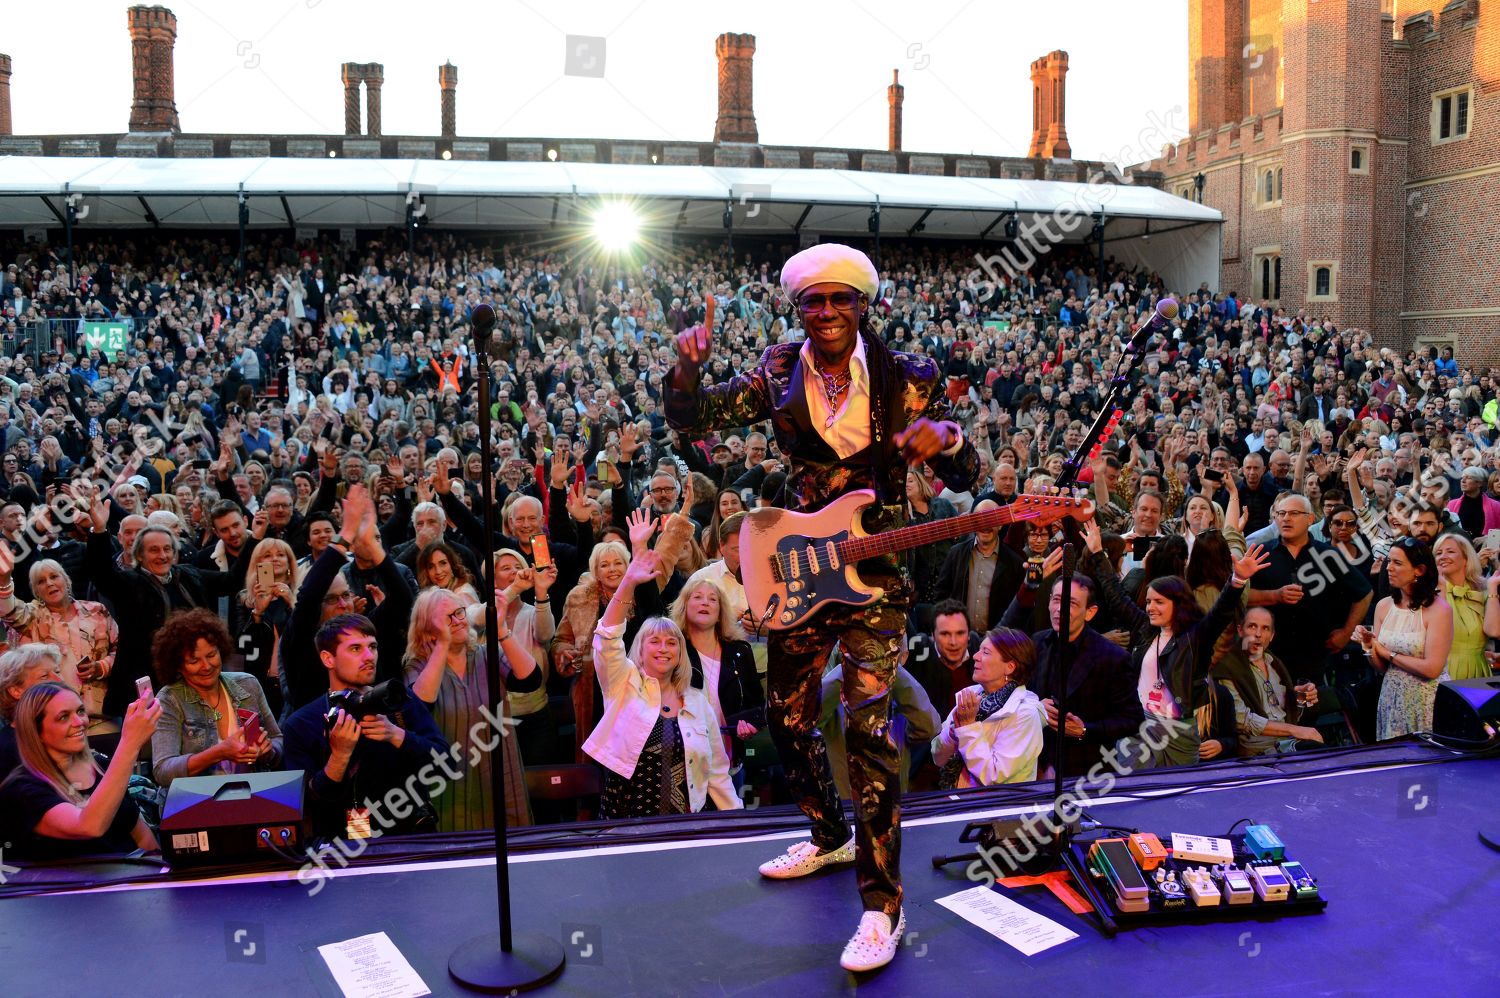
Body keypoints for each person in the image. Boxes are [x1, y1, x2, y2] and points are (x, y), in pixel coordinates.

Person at [666, 243, 978, 971]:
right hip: (801, 568)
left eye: (841, 299)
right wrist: (686, 367)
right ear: (797, 308)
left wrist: (947, 442)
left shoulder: (909, 376)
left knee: (869, 732)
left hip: (875, 577)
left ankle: (883, 907)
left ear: (862, 305)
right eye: (815, 301)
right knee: (788, 716)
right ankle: (827, 832)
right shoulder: (776, 369)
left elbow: (963, 464)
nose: (828, 312)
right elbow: (694, 418)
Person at [1083, 517, 1269, 767]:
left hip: (1180, 730)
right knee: (1137, 794)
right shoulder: (1144, 628)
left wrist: (1237, 581)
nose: (1150, 608)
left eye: (1159, 602)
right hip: (1140, 727)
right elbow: (1115, 594)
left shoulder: (1196, 637)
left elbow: (1221, 612)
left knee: (1181, 796)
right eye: (1149, 602)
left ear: (1178, 603)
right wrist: (1097, 553)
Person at [584, 549, 741, 818]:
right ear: (640, 650)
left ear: (680, 653)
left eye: (671, 642)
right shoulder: (624, 684)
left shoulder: (697, 702)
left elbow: (717, 773)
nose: (663, 648)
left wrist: (738, 822)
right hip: (626, 825)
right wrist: (628, 582)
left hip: (685, 826)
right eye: (654, 641)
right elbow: (607, 638)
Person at [281, 615, 448, 841]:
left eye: (373, 647)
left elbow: (446, 764)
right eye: (355, 649)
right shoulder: (301, 724)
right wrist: (339, 756)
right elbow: (308, 805)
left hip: (412, 841)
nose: (369, 657)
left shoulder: (399, 701)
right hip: (343, 852)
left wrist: (398, 736)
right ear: (328, 659)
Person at [404, 587, 542, 830]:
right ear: (426, 627)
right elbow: (418, 707)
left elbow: (531, 679)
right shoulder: (418, 666)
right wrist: (442, 644)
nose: (457, 621)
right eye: (447, 618)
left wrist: (501, 631)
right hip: (449, 780)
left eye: (459, 612)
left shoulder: (486, 654)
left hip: (500, 772)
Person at [1000, 568, 1143, 778]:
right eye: (1056, 600)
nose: (1060, 609)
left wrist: (1085, 729)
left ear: (1090, 612)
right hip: (1032, 766)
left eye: (1072, 603)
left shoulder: (1113, 658)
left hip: (1086, 774)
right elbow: (1013, 693)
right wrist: (1035, 706)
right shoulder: (1036, 643)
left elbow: (1133, 719)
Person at [0, 682, 160, 860]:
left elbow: (141, 836)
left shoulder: (100, 765)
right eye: (63, 717)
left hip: (134, 878)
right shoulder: (22, 788)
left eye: (80, 711)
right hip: (71, 886)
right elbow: (89, 826)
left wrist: (162, 873)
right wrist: (130, 742)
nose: (79, 722)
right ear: (36, 732)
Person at [1248, 492, 1373, 684]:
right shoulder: (1260, 553)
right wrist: (1275, 596)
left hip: (1314, 654)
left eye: (1294, 513)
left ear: (1310, 519)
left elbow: (1364, 593)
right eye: (1281, 513)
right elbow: (1241, 596)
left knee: (1308, 708)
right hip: (1268, 651)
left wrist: (1346, 632)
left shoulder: (1328, 555)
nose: (1286, 518)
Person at [149, 609, 281, 787]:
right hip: (195, 804)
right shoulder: (169, 700)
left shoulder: (248, 684)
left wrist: (268, 750)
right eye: (194, 661)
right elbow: (163, 771)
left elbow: (278, 741)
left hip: (252, 796)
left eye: (211, 655)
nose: (206, 666)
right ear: (178, 666)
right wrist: (218, 753)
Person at [0, 546, 119, 738]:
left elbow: (120, 652)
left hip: (100, 718)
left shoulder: (97, 610)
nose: (49, 583)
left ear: (66, 580)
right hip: (53, 720)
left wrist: (100, 667)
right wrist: (4, 580)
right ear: (36, 591)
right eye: (41, 581)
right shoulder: (31, 616)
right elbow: (9, 610)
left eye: (54, 577)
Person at [668, 572, 765, 780]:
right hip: (683, 766)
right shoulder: (672, 650)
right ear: (684, 605)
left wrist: (749, 724)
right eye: (697, 597)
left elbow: (756, 705)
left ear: (721, 611)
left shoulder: (741, 651)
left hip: (729, 763)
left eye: (713, 599)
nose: (705, 603)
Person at [1355, 538, 1454, 740]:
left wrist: (1384, 651)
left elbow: (1432, 669)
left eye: (1397, 563)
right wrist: (1368, 647)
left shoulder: (1439, 610)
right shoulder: (1383, 606)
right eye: (1389, 561)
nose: (1388, 568)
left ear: (1419, 570)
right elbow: (1383, 668)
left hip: (1427, 699)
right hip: (1392, 697)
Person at [930, 627, 1046, 787]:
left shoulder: (1025, 714)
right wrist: (952, 734)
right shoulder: (970, 695)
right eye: (979, 651)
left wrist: (968, 728)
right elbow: (938, 758)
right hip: (955, 799)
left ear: (1010, 667)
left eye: (985, 652)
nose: (975, 657)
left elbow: (993, 776)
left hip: (996, 808)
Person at [1211, 607, 1323, 756]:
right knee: (1316, 752)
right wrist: (1294, 729)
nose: (1258, 634)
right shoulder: (1228, 667)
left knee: (1325, 752)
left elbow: (1281, 712)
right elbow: (1240, 719)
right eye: (1252, 626)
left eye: (1265, 629)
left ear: (1271, 635)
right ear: (1240, 630)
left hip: (1286, 741)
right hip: (1258, 750)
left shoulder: (1273, 663)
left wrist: (1300, 699)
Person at [934, 499, 1023, 633]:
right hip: (959, 638)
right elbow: (941, 594)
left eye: (991, 520)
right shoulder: (956, 553)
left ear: (1000, 525)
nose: (985, 526)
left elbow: (1017, 607)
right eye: (980, 519)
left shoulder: (1014, 562)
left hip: (996, 640)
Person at [905, 599, 981, 721]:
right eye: (945, 634)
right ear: (933, 636)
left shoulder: (978, 651)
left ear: (968, 635)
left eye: (960, 633)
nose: (953, 642)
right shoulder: (919, 654)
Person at [0, 644, 68, 776]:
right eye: (44, 676)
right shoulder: (8, 748)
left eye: (58, 672)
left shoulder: (66, 729)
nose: (59, 680)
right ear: (16, 691)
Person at [1433, 533, 1488, 681]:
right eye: (1438, 553)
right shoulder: (1429, 593)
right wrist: (1440, 588)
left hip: (1479, 671)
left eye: (1450, 551)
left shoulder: (1484, 592)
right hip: (1442, 672)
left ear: (1466, 559)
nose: (1443, 556)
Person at [415, 539, 481, 605]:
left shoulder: (462, 595)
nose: (438, 571)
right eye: (431, 567)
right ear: (426, 572)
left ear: (452, 565)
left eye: (443, 563)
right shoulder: (430, 596)